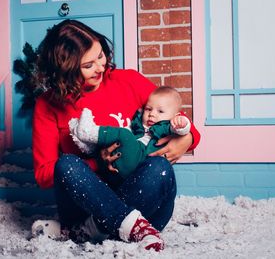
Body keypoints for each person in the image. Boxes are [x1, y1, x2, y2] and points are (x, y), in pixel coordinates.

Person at [31, 19, 200, 251]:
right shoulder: (47, 104)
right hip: (87, 205)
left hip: (141, 201)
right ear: (65, 70)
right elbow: (44, 174)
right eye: (88, 65)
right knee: (67, 164)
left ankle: (90, 230)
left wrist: (187, 139)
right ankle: (124, 225)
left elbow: (183, 123)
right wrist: (96, 163)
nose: (101, 67)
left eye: (101, 55)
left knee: (159, 169)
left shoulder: (127, 80)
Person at [69, 86, 191, 179]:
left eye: (160, 111)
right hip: (122, 165)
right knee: (120, 136)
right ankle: (89, 145)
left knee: (123, 134)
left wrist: (182, 123)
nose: (152, 114)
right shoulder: (140, 124)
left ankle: (88, 132)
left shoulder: (166, 126)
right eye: (148, 109)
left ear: (174, 116)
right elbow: (130, 130)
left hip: (143, 160)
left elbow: (181, 130)